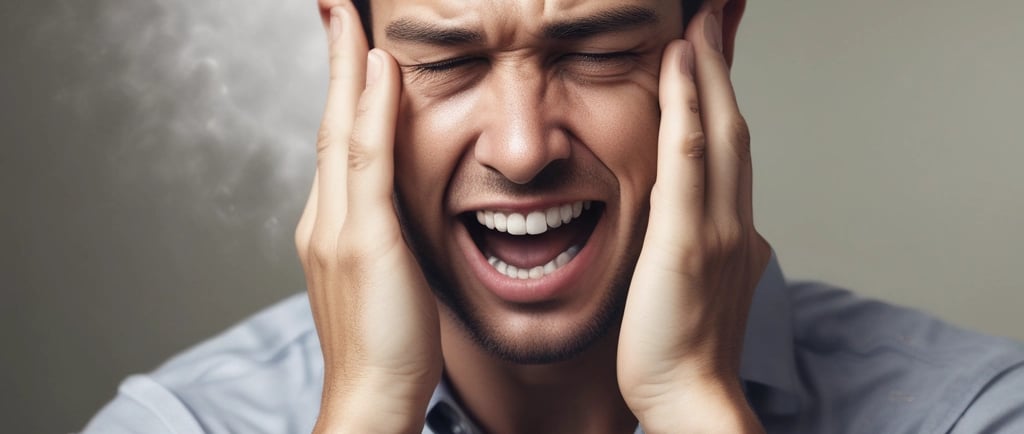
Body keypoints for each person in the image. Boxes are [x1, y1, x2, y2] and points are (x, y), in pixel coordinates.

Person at [83, 0, 1024, 433]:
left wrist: (694, 401)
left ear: (715, 43)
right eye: (447, 63)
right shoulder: (179, 426)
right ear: (348, 56)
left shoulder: (973, 415)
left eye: (599, 48)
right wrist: (368, 408)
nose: (524, 148)